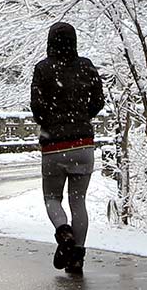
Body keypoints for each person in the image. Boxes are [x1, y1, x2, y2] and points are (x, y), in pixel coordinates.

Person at [27, 20, 105, 276]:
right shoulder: (86, 67)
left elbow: (37, 107)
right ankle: (77, 258)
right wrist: (81, 117)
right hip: (83, 143)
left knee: (52, 198)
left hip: (53, 145)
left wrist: (51, 121)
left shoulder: (43, 69)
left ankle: (63, 232)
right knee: (78, 202)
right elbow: (98, 101)